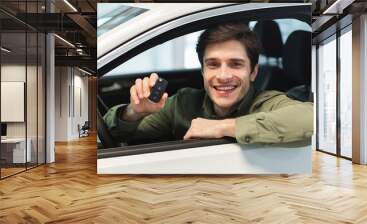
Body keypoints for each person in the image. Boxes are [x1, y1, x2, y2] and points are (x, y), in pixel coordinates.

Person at [103, 23, 313, 145]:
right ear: (203, 71)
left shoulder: (267, 103)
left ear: (253, 72)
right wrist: (134, 112)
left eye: (236, 64)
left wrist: (222, 127)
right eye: (213, 65)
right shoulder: (182, 104)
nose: (223, 76)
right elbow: (116, 136)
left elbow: (311, 117)